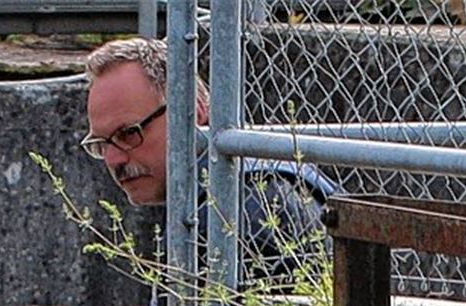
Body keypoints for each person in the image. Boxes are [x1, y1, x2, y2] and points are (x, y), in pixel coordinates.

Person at [82, 37, 337, 287]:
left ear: (194, 111)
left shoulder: (236, 213)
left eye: (128, 133)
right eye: (102, 143)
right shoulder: (244, 188)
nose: (113, 159)